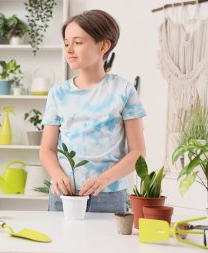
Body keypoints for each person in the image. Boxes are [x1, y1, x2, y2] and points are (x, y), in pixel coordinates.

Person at [40, 10, 146, 213]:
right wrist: (58, 176)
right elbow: (47, 149)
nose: (69, 50)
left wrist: (104, 179)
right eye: (66, 43)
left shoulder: (124, 91)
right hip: (64, 195)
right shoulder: (57, 93)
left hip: (109, 195)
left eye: (78, 42)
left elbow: (138, 152)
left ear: (103, 46)